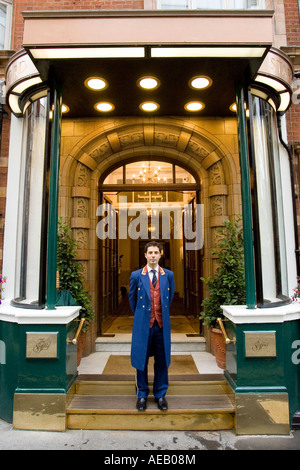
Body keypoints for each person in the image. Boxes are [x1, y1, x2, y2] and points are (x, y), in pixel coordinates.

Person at [129, 241, 175, 411]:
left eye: (156, 252)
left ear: (161, 254)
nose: (153, 255)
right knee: (141, 360)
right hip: (143, 325)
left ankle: (160, 394)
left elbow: (167, 301)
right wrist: (143, 317)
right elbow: (132, 300)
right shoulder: (136, 275)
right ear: (145, 255)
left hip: (161, 326)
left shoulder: (168, 275)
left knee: (162, 361)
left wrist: (158, 315)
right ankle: (142, 394)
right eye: (150, 252)